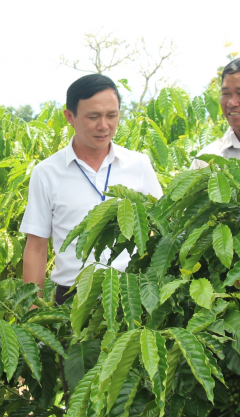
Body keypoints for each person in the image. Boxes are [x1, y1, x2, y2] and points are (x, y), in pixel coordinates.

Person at [20, 74, 163, 305]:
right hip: (72, 297)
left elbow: (160, 228)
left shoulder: (139, 165)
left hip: (132, 293)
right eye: (93, 117)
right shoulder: (46, 173)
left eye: (112, 116)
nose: (104, 126)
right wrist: (32, 307)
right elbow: (36, 246)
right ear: (70, 116)